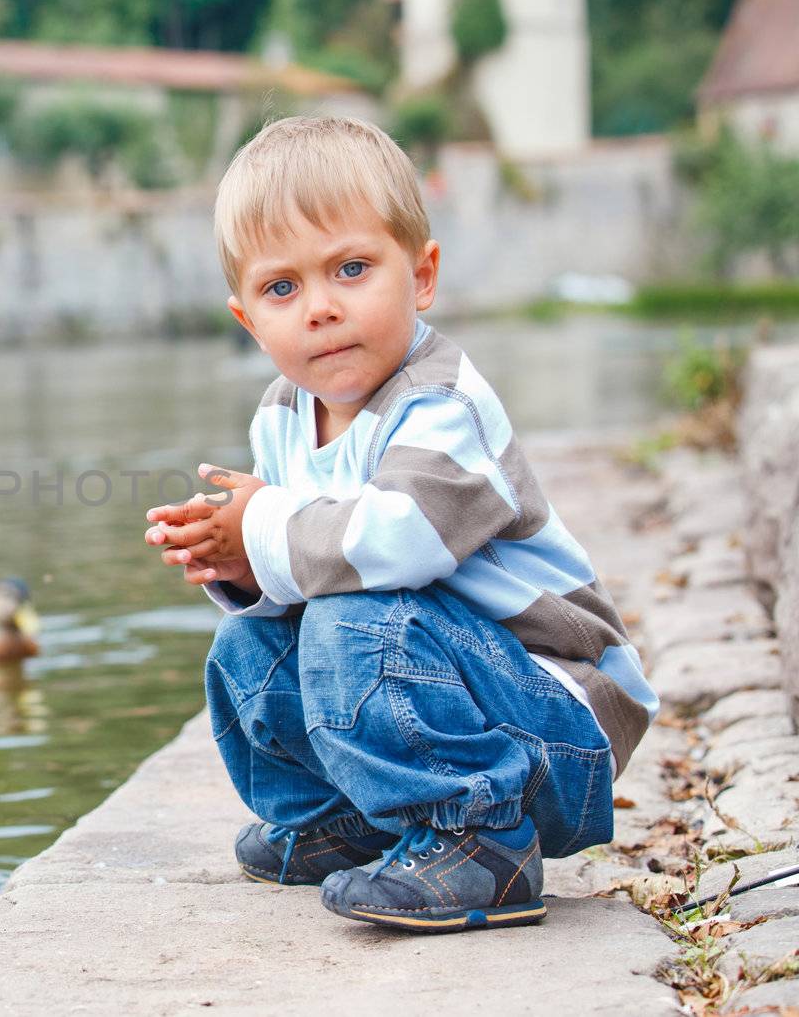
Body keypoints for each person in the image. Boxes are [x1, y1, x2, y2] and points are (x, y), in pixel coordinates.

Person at [142, 115, 657, 933]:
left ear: (421, 276)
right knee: (248, 650)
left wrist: (268, 523)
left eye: (351, 268)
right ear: (248, 320)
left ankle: (482, 840)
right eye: (283, 288)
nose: (320, 308)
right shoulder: (283, 416)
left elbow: (396, 543)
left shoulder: (441, 403)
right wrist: (238, 562)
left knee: (358, 613)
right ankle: (356, 817)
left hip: (557, 719)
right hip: (452, 696)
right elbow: (304, 575)